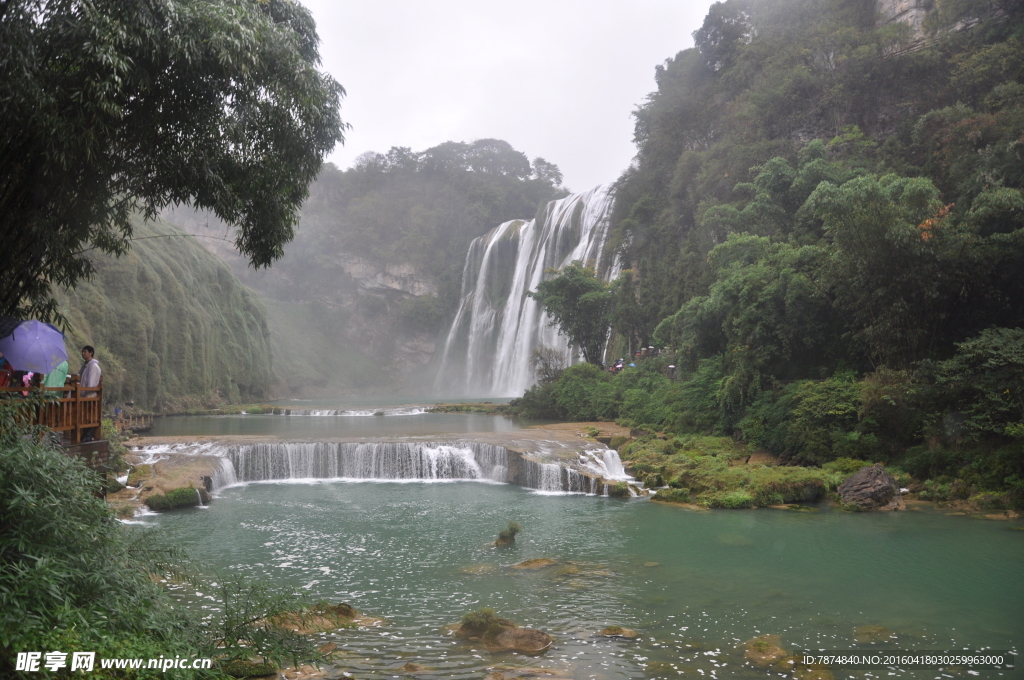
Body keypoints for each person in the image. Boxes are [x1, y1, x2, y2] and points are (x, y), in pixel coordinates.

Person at [80, 346, 102, 441]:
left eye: (85, 351)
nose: (83, 353)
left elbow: (91, 383)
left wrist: (84, 391)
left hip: (89, 395)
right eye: (82, 352)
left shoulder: (93, 366)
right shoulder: (86, 365)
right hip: (83, 395)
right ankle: (84, 435)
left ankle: (87, 436)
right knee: (84, 416)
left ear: (91, 353)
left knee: (88, 416)